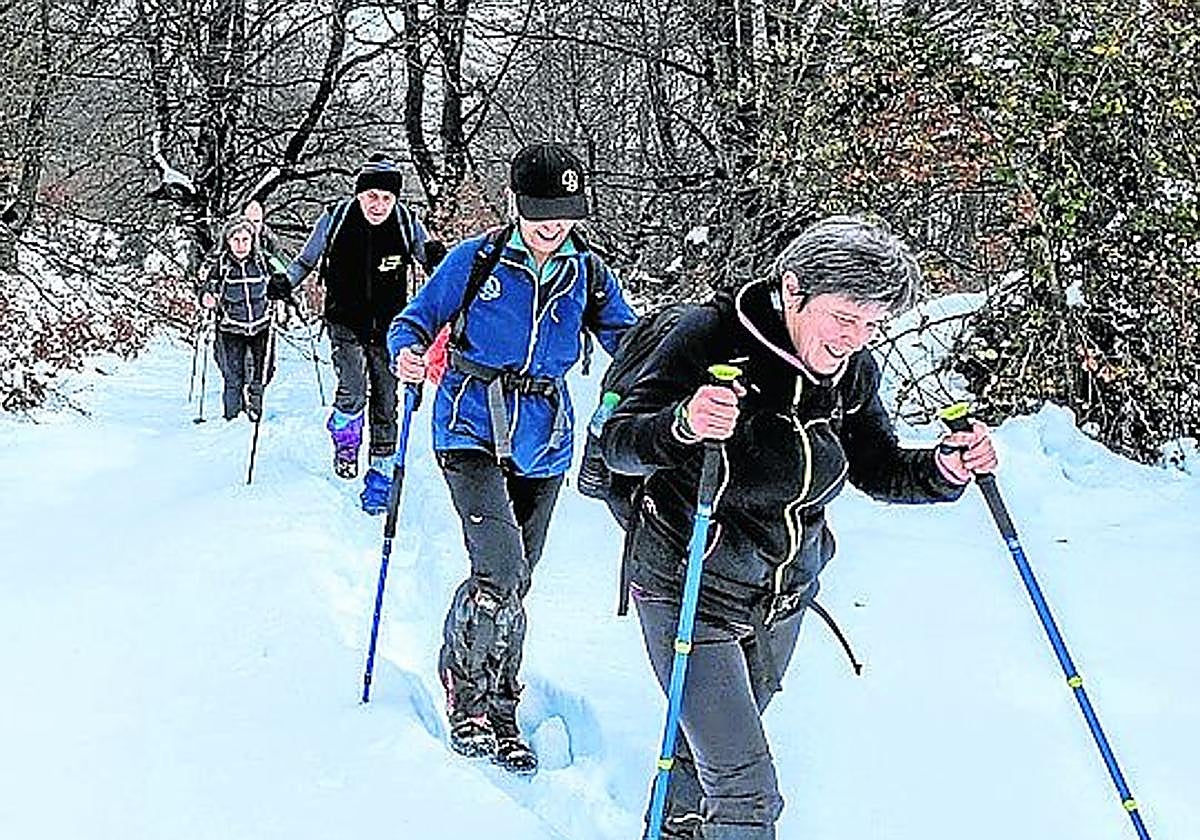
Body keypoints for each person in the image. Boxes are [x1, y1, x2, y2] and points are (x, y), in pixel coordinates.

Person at [599, 215, 998, 840]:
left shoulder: (851, 371)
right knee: (746, 793)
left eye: (872, 325)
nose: (855, 339)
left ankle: (676, 828)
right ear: (792, 290)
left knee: (707, 756)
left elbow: (876, 464)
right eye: (844, 318)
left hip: (780, 600)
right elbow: (621, 443)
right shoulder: (709, 338)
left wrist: (943, 469)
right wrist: (684, 423)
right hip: (689, 586)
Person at [389, 143, 637, 774]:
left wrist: (674, 369)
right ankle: (469, 699)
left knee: (517, 577)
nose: (554, 225)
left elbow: (629, 342)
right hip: (468, 426)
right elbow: (415, 320)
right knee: (499, 567)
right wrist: (407, 352)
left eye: (566, 212)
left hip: (544, 438)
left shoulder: (587, 273)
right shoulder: (476, 260)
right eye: (541, 212)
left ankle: (503, 704)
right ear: (516, 204)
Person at [285, 154, 443, 513]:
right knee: (354, 388)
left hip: (391, 326)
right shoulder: (336, 218)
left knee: (386, 402)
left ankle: (380, 479)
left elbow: (433, 265)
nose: (379, 205)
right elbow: (305, 261)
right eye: (372, 196)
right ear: (359, 194)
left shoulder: (406, 222)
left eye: (387, 198)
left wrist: (440, 260)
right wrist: (284, 282)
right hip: (344, 321)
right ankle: (345, 437)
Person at [198, 216, 276, 421]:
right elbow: (206, 288)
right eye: (236, 240)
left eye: (245, 239)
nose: (241, 245)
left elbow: (284, 275)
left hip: (261, 326)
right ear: (228, 241)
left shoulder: (264, 261)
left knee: (262, 374)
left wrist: (283, 292)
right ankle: (232, 419)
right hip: (230, 328)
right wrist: (206, 298)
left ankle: (255, 414)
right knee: (233, 377)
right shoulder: (221, 265)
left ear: (252, 241)